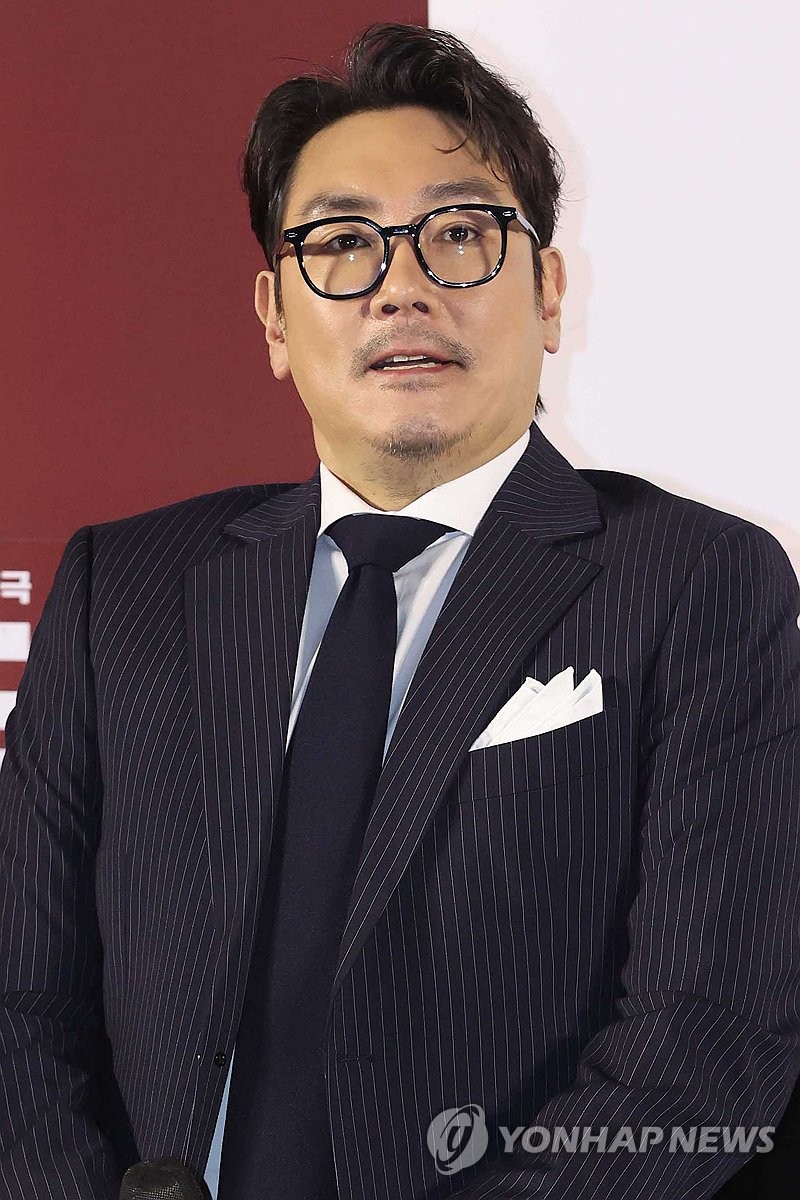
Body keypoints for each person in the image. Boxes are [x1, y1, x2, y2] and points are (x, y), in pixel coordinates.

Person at [0, 20, 798, 1200]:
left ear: (548, 294)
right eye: (341, 245)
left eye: (460, 234)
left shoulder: (697, 583)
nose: (402, 286)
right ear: (274, 318)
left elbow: (704, 1043)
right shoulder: (124, 587)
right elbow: (15, 998)